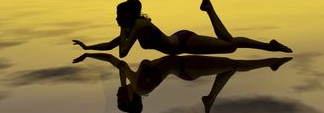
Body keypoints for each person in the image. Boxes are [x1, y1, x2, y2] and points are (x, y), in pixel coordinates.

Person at [72, 0, 292, 58]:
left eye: (119, 16)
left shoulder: (137, 25)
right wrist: (87, 48)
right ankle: (269, 46)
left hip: (184, 44)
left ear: (129, 16)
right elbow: (112, 46)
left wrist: (122, 28)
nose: (116, 19)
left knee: (230, 47)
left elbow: (122, 53)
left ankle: (209, 9)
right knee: (230, 42)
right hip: (179, 39)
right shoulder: (133, 27)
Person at [72, 52, 292, 113]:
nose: (117, 95)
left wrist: (88, 54)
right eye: (120, 99)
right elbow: (120, 68)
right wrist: (121, 76)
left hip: (185, 64)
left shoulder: (133, 79)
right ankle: (270, 63)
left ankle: (210, 99)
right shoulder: (140, 86)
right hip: (188, 68)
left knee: (228, 66)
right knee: (231, 64)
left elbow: (114, 60)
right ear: (130, 99)